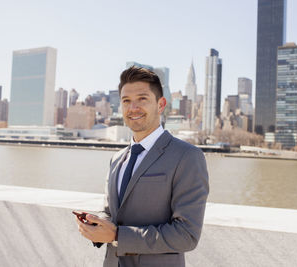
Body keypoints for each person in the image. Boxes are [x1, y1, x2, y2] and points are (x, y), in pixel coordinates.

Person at [76, 66, 209, 267]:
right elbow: (111, 213)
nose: (133, 108)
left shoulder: (187, 156)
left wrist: (118, 235)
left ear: (161, 104)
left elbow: (186, 234)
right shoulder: (117, 159)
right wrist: (97, 224)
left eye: (142, 99)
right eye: (126, 101)